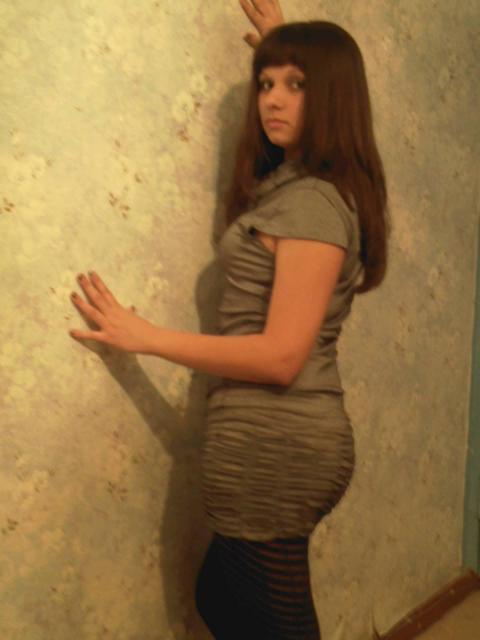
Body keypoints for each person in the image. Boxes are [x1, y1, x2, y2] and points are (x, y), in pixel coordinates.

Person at [69, 1, 388, 638]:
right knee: (222, 595)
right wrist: (283, 45)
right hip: (267, 434)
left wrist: (146, 337)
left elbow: (281, 357)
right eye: (266, 83)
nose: (272, 99)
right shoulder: (306, 187)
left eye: (297, 85)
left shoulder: (314, 204)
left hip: (281, 440)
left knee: (269, 618)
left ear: (332, 96)